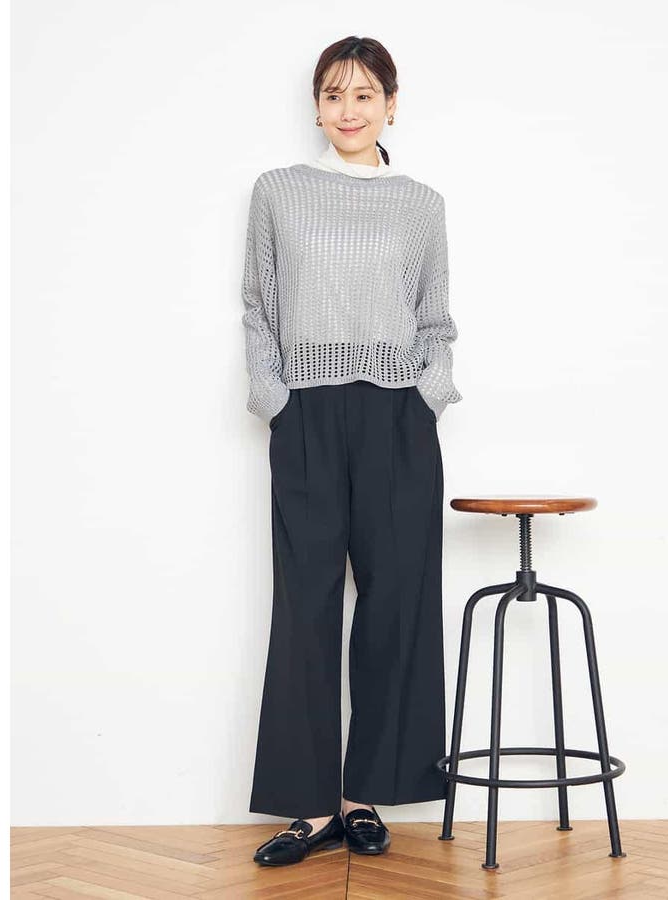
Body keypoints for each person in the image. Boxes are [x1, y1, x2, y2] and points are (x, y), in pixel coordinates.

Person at [242, 35, 462, 868]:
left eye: (364, 94)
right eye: (333, 94)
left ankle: (363, 797)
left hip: (397, 416)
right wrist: (275, 399)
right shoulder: (278, 192)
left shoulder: (421, 204)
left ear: (391, 105)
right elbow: (257, 304)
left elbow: (436, 318)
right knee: (304, 605)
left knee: (396, 602)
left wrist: (426, 394)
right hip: (305, 414)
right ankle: (308, 807)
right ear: (316, 105)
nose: (348, 109)